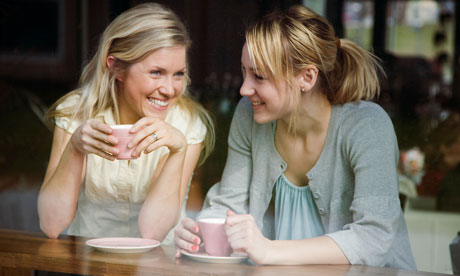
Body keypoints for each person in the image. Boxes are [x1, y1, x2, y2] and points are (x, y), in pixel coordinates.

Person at [174, 5, 416, 269]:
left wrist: (268, 250)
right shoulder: (250, 116)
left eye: (259, 76)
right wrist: (201, 232)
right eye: (244, 72)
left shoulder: (367, 126)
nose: (244, 89)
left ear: (307, 77)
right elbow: (229, 206)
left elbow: (374, 238)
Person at [37, 2, 214, 244]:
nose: (170, 89)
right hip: (91, 263)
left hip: (157, 265)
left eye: (178, 74)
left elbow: (153, 232)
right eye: (156, 72)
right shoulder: (76, 113)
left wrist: (178, 150)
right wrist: (75, 149)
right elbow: (51, 224)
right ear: (117, 67)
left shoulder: (185, 124)